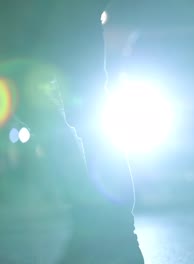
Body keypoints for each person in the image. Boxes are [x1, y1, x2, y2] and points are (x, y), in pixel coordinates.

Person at [0, 1, 144, 263]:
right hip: (39, 28)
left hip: (57, 27)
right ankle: (99, 224)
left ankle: (112, 228)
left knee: (83, 123)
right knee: (70, 124)